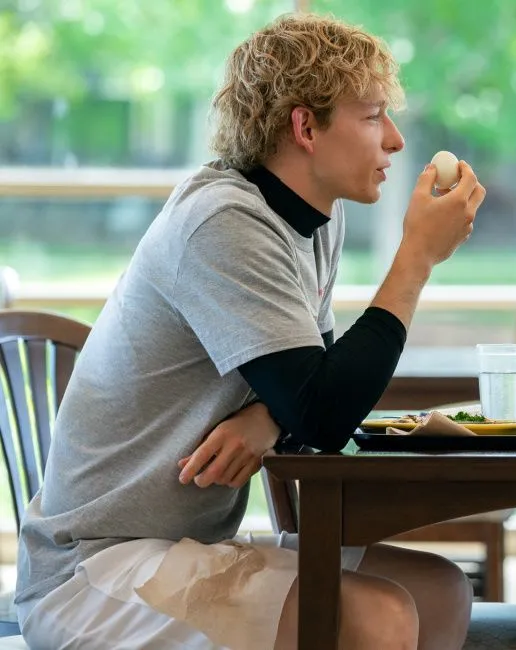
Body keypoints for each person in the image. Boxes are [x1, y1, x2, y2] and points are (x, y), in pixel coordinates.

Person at [15, 13, 486, 650]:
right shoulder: (223, 222)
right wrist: (416, 259)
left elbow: (309, 382)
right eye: (373, 115)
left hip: (188, 546)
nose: (397, 140)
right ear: (304, 127)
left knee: (440, 591)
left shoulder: (315, 219)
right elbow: (323, 413)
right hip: (98, 569)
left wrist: (268, 416)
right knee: (377, 616)